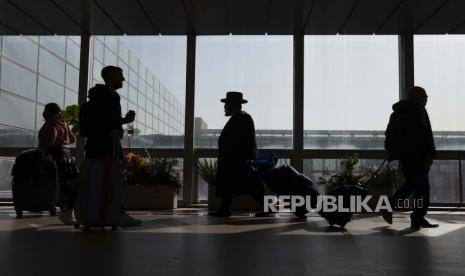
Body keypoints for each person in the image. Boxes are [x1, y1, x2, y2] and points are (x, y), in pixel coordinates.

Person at [79, 65, 141, 227]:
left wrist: (123, 121)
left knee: (93, 178)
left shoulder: (99, 97)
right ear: (110, 76)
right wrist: (117, 126)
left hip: (96, 145)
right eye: (120, 76)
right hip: (108, 146)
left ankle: (93, 213)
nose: (123, 79)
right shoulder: (109, 97)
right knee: (114, 179)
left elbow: (105, 120)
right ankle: (117, 213)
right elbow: (106, 121)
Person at [381, 86, 438, 229]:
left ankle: (390, 207)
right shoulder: (418, 110)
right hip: (418, 156)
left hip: (406, 157)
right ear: (418, 97)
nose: (426, 98)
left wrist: (393, 152)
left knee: (412, 184)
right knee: (422, 189)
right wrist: (429, 154)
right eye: (425, 95)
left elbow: (390, 134)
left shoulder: (398, 112)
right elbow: (424, 135)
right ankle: (417, 217)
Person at [208, 91, 269, 217]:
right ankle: (224, 208)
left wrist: (245, 158)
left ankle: (269, 207)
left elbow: (246, 140)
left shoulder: (242, 118)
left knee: (250, 185)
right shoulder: (239, 117)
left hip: (238, 160)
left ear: (232, 104)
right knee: (240, 185)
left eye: (226, 104)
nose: (224, 107)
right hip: (235, 160)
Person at [38, 103, 77, 225]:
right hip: (66, 156)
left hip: (54, 156)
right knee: (67, 183)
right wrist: (63, 140)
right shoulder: (63, 122)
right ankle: (71, 209)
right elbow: (72, 139)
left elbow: (51, 138)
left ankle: (71, 209)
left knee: (62, 185)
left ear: (48, 112)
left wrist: (41, 149)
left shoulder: (52, 122)